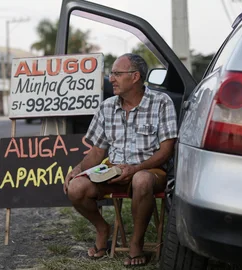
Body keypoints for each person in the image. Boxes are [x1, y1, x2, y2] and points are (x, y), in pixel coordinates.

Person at [63, 53, 177, 267]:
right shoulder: (107, 107)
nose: (111, 79)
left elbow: (167, 151)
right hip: (112, 171)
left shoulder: (161, 102)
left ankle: (136, 243)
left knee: (141, 180)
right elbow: (97, 152)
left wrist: (135, 169)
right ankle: (102, 229)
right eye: (111, 74)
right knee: (76, 187)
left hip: (151, 171)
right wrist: (76, 170)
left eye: (116, 73)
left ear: (135, 77)